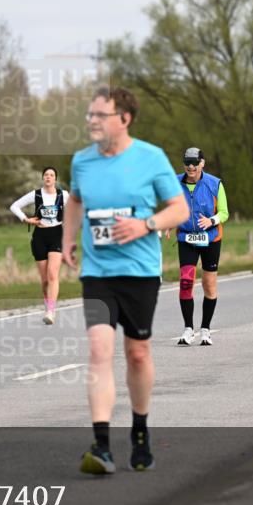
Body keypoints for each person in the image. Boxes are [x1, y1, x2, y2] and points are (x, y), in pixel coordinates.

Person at [61, 86, 188, 475]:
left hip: (139, 271)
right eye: (90, 115)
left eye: (100, 115)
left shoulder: (151, 158)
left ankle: (139, 430)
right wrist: (68, 239)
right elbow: (76, 199)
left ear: (124, 119)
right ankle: (101, 445)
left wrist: (145, 224)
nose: (92, 122)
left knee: (137, 353)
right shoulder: (82, 161)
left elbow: (179, 209)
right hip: (97, 272)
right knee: (100, 349)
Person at [170, 148, 229, 346]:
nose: (191, 166)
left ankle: (205, 329)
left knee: (209, 284)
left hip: (210, 239)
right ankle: (188, 329)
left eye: (195, 162)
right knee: (186, 282)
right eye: (187, 162)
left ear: (202, 163)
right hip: (187, 238)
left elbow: (224, 213)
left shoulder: (215, 184)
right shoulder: (176, 183)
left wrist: (211, 221)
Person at [9, 167, 71, 324]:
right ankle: (48, 305)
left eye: (51, 175)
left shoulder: (63, 195)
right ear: (43, 178)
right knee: (44, 280)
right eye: (46, 175)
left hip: (57, 234)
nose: (48, 177)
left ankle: (51, 311)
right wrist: (26, 219)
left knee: (52, 274)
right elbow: (14, 206)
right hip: (40, 236)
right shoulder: (35, 194)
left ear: (55, 179)